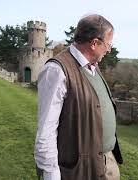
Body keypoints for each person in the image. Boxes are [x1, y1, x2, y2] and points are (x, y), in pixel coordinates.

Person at [34, 14, 123, 180]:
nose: (109, 50)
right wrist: (51, 175)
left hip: (107, 160)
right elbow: (46, 130)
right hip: (81, 169)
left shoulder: (93, 66)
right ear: (95, 43)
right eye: (108, 45)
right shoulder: (56, 70)